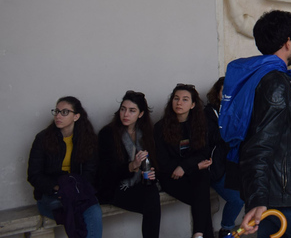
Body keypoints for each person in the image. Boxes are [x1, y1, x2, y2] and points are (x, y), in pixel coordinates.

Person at [223, 10, 291, 238]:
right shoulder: (275, 84)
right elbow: (259, 145)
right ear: (288, 43)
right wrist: (257, 199)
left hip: (276, 193)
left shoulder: (260, 76)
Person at [28, 96, 102, 238]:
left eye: (65, 112)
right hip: (51, 195)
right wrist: (58, 187)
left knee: (94, 210)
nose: (58, 116)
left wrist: (75, 188)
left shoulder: (87, 140)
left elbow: (90, 172)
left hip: (77, 191)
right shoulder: (42, 138)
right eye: (57, 111)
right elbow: (34, 175)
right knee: (74, 211)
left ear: (76, 116)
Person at [98, 91, 160, 238]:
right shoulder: (107, 134)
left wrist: (151, 173)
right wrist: (132, 166)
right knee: (152, 202)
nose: (126, 114)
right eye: (123, 109)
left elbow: (155, 162)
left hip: (138, 183)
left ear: (140, 114)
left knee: (152, 194)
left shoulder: (145, 133)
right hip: (115, 188)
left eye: (132, 110)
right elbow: (107, 173)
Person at [154, 84, 214, 238]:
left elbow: (204, 152)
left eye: (185, 99)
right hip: (170, 176)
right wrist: (188, 166)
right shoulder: (160, 127)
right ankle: (200, 235)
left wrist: (185, 167)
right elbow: (162, 161)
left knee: (202, 178)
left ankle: (198, 235)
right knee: (202, 200)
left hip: (191, 173)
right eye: (176, 99)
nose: (179, 103)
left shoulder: (199, 125)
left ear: (193, 105)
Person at [204, 78, 244, 238]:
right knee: (237, 199)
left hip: (235, 164)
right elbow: (213, 137)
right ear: (217, 93)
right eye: (224, 91)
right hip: (216, 167)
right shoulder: (208, 112)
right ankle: (226, 230)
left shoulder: (238, 110)